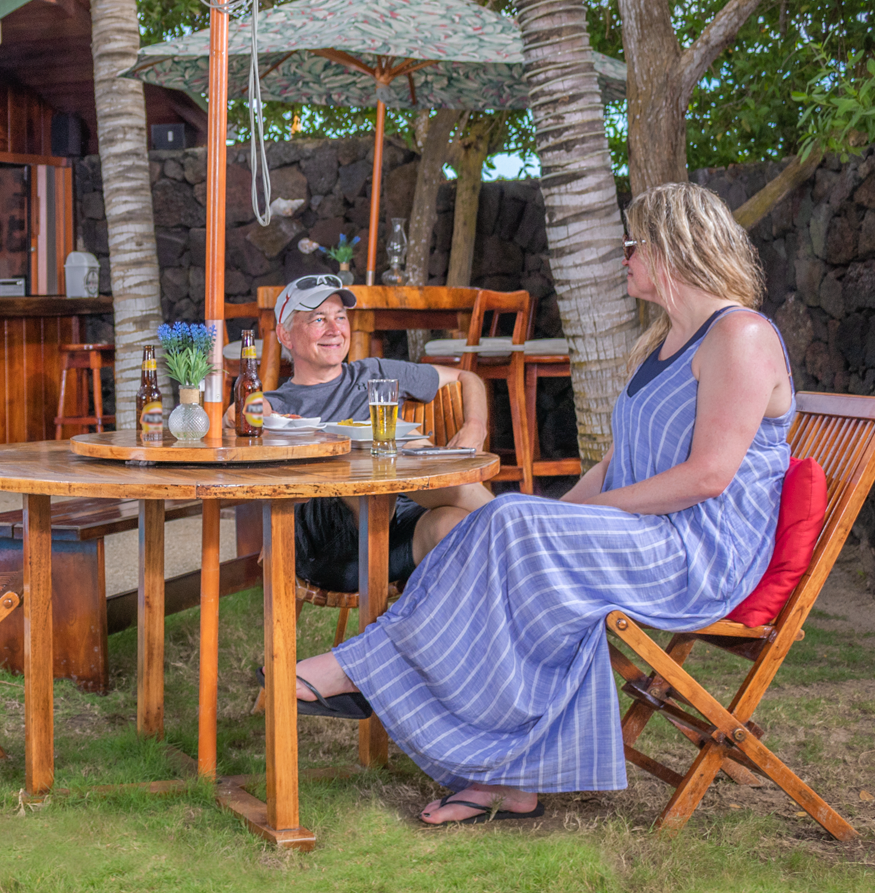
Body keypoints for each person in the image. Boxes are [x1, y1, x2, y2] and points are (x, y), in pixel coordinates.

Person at [289, 182, 793, 826]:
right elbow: (615, 461)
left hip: (696, 551)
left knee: (509, 521)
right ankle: (506, 777)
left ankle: (362, 672)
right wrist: (553, 511)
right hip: (646, 531)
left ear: (673, 249)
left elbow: (708, 477)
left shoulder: (741, 335)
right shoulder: (665, 340)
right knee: (507, 519)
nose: (624, 255)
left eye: (633, 243)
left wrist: (578, 515)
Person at [242, 274, 494, 593]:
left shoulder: (375, 373)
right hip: (331, 548)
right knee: (403, 447)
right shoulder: (278, 406)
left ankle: (521, 569)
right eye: (319, 319)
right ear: (286, 335)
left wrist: (475, 425)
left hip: (397, 526)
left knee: (457, 527)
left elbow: (465, 377)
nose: (335, 330)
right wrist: (246, 417)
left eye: (341, 317)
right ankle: (534, 532)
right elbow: (238, 424)